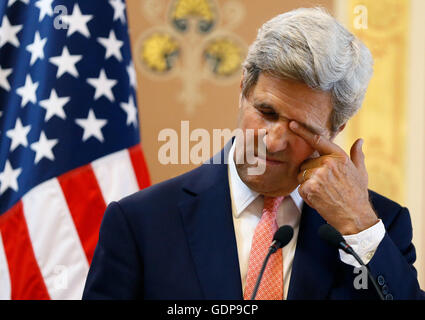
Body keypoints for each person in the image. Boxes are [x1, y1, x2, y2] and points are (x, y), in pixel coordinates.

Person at [82, 7, 425, 300]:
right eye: (267, 112)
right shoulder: (140, 223)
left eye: (300, 127)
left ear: (336, 130)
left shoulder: (380, 226)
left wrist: (358, 225)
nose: (273, 142)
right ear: (243, 87)